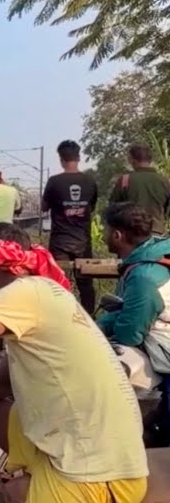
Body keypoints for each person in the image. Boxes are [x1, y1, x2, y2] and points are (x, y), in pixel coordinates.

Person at [0, 223, 148, 503]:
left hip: (88, 471)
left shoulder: (23, 293)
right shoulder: (46, 292)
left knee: (9, 496)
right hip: (89, 446)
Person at [99, 202, 170, 381]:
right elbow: (129, 310)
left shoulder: (143, 276)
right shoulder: (152, 257)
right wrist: (97, 326)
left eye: (105, 231)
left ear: (117, 235)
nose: (102, 237)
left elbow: (130, 333)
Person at [42, 140, 99, 314]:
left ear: (61, 159)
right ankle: (89, 320)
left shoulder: (54, 181)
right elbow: (92, 206)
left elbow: (44, 208)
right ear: (79, 157)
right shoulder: (89, 181)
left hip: (59, 242)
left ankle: (60, 318)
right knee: (85, 285)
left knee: (58, 283)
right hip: (83, 242)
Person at [110, 143, 170, 236]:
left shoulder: (125, 180)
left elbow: (113, 209)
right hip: (158, 234)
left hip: (132, 235)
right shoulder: (165, 182)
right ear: (150, 160)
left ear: (132, 160)